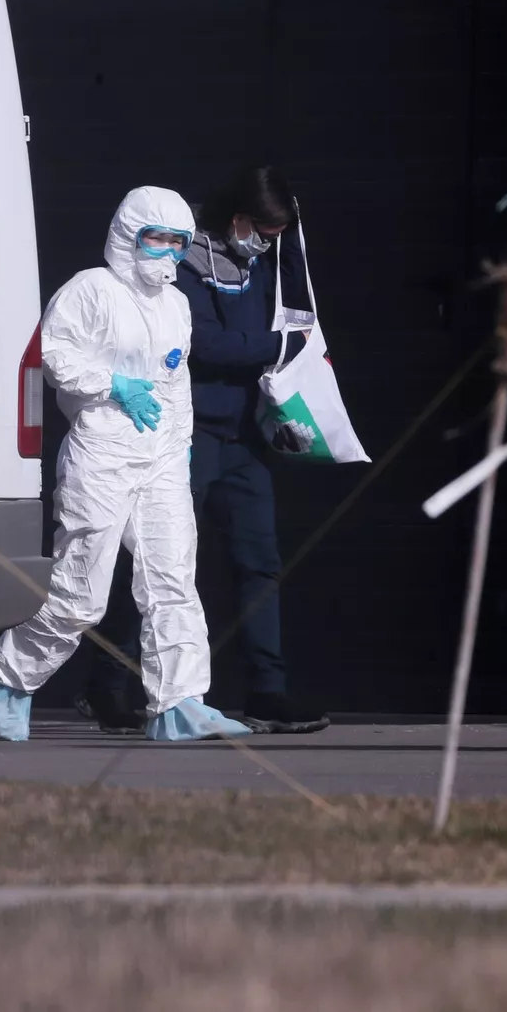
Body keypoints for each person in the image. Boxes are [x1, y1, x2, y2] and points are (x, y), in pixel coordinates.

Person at [0, 186, 252, 743]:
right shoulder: (91, 289)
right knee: (82, 595)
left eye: (178, 242)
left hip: (160, 456)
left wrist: (181, 442)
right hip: (100, 454)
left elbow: (175, 381)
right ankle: (7, 677)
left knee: (173, 580)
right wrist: (111, 384)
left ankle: (180, 703)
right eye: (156, 238)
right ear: (128, 235)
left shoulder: (176, 305)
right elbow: (54, 354)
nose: (167, 252)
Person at [77, 166, 330, 735]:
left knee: (259, 563)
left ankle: (267, 691)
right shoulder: (183, 265)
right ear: (237, 216)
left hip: (242, 437)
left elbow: (289, 310)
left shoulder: (262, 264)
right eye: (261, 231)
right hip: (186, 436)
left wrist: (289, 251)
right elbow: (205, 345)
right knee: (159, 564)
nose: (265, 243)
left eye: (276, 235)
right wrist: (279, 345)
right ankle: (106, 683)